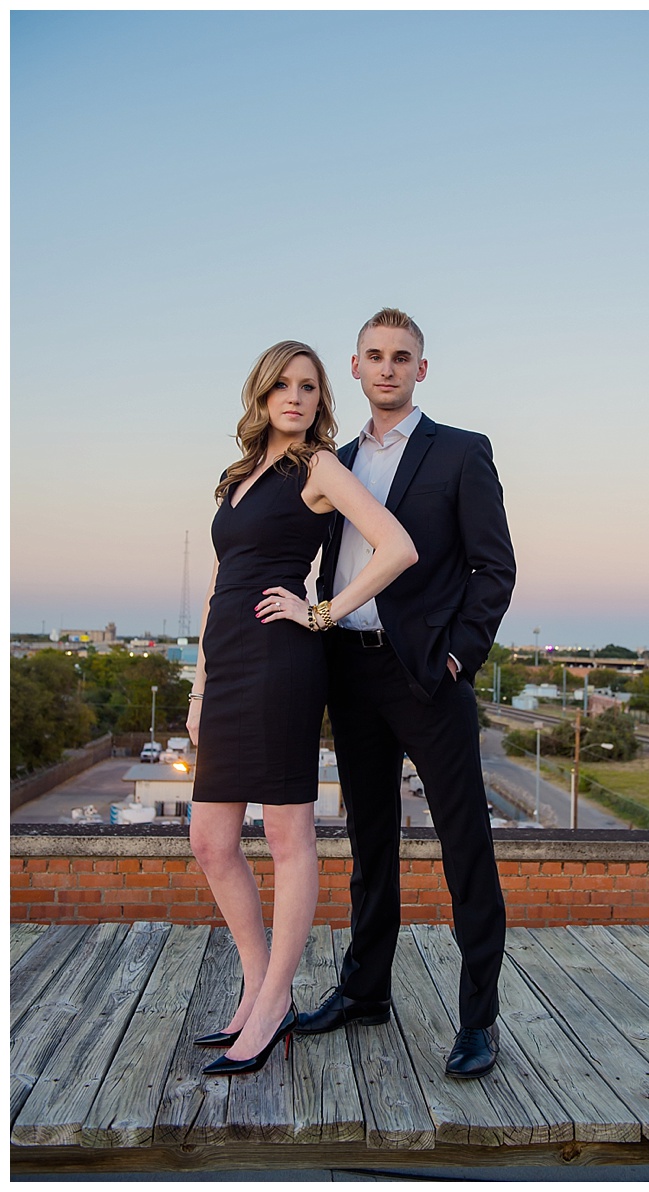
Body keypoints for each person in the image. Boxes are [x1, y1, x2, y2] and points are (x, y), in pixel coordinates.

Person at [187, 340, 417, 1077]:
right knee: (210, 842)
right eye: (283, 385)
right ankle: (260, 983)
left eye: (309, 387)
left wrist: (321, 613)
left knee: (287, 836)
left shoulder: (318, 469)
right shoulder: (239, 477)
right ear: (260, 393)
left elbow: (396, 547)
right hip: (226, 668)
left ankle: (276, 994)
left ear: (322, 400)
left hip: (282, 665)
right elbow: (220, 582)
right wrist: (197, 686)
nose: (295, 397)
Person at [296, 308, 516, 1079]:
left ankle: (479, 1020)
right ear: (354, 369)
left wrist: (458, 658)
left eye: (402, 357)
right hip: (350, 672)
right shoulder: (334, 462)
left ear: (422, 369)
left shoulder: (461, 453)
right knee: (370, 843)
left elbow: (495, 569)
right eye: (374, 356)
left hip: (426, 674)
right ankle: (365, 993)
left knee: (466, 848)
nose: (387, 368)